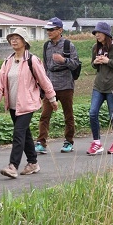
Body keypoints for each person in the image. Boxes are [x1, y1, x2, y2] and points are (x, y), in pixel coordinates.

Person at [0, 28, 57, 178]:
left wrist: (52, 98)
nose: (13, 40)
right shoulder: (8, 61)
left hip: (27, 104)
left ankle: (13, 166)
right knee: (25, 134)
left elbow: (44, 80)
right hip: (13, 105)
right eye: (11, 38)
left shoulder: (32, 60)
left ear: (24, 42)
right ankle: (33, 163)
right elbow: (0, 81)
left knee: (18, 133)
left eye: (17, 38)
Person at [36, 17, 80, 154]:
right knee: (45, 115)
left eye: (51, 29)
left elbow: (75, 64)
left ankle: (68, 141)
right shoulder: (46, 46)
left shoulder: (68, 45)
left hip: (66, 84)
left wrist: (64, 60)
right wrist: (43, 84)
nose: (48, 32)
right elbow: (45, 66)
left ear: (60, 30)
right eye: (47, 30)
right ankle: (41, 143)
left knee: (68, 114)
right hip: (50, 85)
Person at [87, 22, 113, 155]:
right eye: (95, 33)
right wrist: (95, 62)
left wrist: (108, 61)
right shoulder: (95, 47)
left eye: (99, 32)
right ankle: (97, 143)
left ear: (106, 34)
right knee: (93, 113)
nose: (97, 35)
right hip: (99, 85)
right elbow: (94, 65)